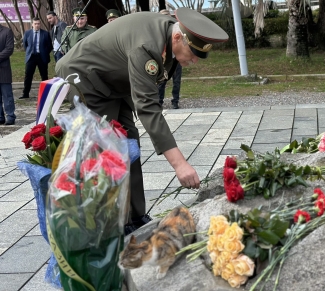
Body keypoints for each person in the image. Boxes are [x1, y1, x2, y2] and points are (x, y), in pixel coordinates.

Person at [55, 8, 228, 234]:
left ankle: (135, 216)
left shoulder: (170, 32)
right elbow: (147, 107)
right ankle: (108, 223)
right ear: (178, 37)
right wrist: (180, 165)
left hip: (114, 80)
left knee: (129, 141)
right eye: (193, 53)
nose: (195, 60)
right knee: (107, 146)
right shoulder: (146, 47)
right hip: (85, 76)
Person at [19, 18, 52, 100]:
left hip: (42, 57)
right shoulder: (27, 33)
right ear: (32, 24)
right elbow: (25, 44)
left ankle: (46, 93)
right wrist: (29, 52)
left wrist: (44, 52)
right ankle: (25, 93)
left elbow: (50, 46)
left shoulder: (45, 33)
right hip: (31, 57)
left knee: (44, 76)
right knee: (28, 76)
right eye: (35, 24)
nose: (37, 25)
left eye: (38, 24)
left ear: (40, 24)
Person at [158, 9, 182, 109]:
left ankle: (175, 101)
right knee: (161, 81)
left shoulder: (177, 27)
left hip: (176, 58)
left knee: (176, 81)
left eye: (167, 15)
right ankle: (159, 102)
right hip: (163, 59)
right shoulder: (158, 29)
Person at [0, 25, 16, 125]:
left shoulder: (7, 31)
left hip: (3, 69)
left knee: (7, 95)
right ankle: (0, 117)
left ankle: (10, 116)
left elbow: (9, 49)